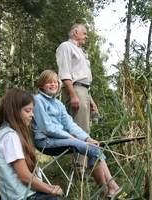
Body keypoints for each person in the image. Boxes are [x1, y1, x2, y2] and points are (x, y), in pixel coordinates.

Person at [31, 70, 123, 198]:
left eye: (55, 82)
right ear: (41, 85)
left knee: (94, 147)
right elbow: (48, 128)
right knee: (91, 150)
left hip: (59, 140)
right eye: (48, 82)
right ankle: (107, 189)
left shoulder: (58, 103)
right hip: (45, 141)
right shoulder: (37, 100)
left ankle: (109, 188)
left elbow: (70, 124)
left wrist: (87, 138)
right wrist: (70, 137)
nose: (53, 85)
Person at [0, 88, 64, 200]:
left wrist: (49, 186)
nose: (32, 115)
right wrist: (51, 190)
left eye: (32, 111)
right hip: (22, 196)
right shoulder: (10, 136)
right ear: (13, 112)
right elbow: (25, 178)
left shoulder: (6, 132)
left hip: (22, 193)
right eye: (28, 111)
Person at [56, 23, 97, 181]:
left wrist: (90, 98)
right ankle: (80, 171)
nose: (86, 36)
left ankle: (82, 167)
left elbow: (84, 78)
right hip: (75, 89)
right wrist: (73, 95)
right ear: (75, 32)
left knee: (85, 128)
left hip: (84, 90)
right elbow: (65, 74)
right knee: (80, 129)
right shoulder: (66, 46)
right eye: (84, 33)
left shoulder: (81, 52)